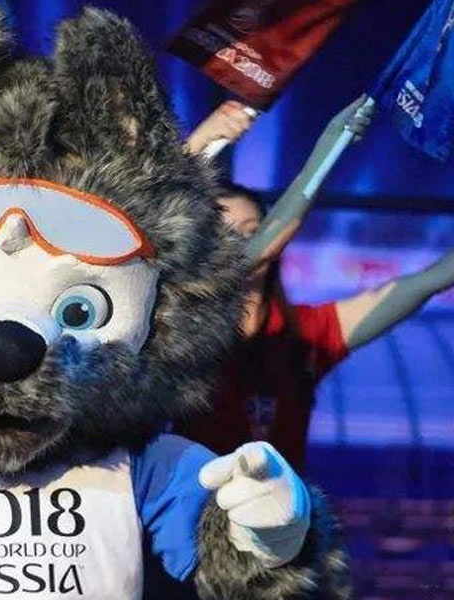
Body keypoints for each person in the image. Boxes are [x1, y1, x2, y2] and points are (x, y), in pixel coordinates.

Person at [178, 97, 454, 470]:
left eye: (250, 230)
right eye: (221, 233)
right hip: (192, 505)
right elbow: (138, 211)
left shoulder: (306, 333)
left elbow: (426, 282)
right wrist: (329, 143)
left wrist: (333, 142)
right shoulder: (176, 326)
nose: (240, 244)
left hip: (283, 507)